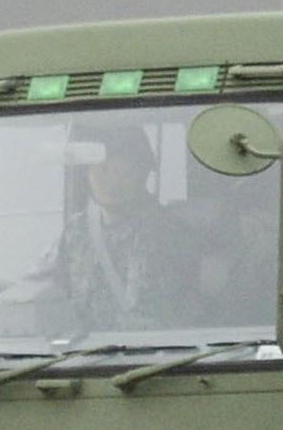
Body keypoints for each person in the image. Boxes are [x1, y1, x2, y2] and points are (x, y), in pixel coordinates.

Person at [49, 121, 191, 333]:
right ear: (86, 173)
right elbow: (48, 288)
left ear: (142, 172)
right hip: (87, 357)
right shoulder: (76, 232)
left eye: (123, 170)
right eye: (103, 169)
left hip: (160, 355)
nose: (112, 181)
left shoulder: (172, 232)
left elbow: (187, 315)